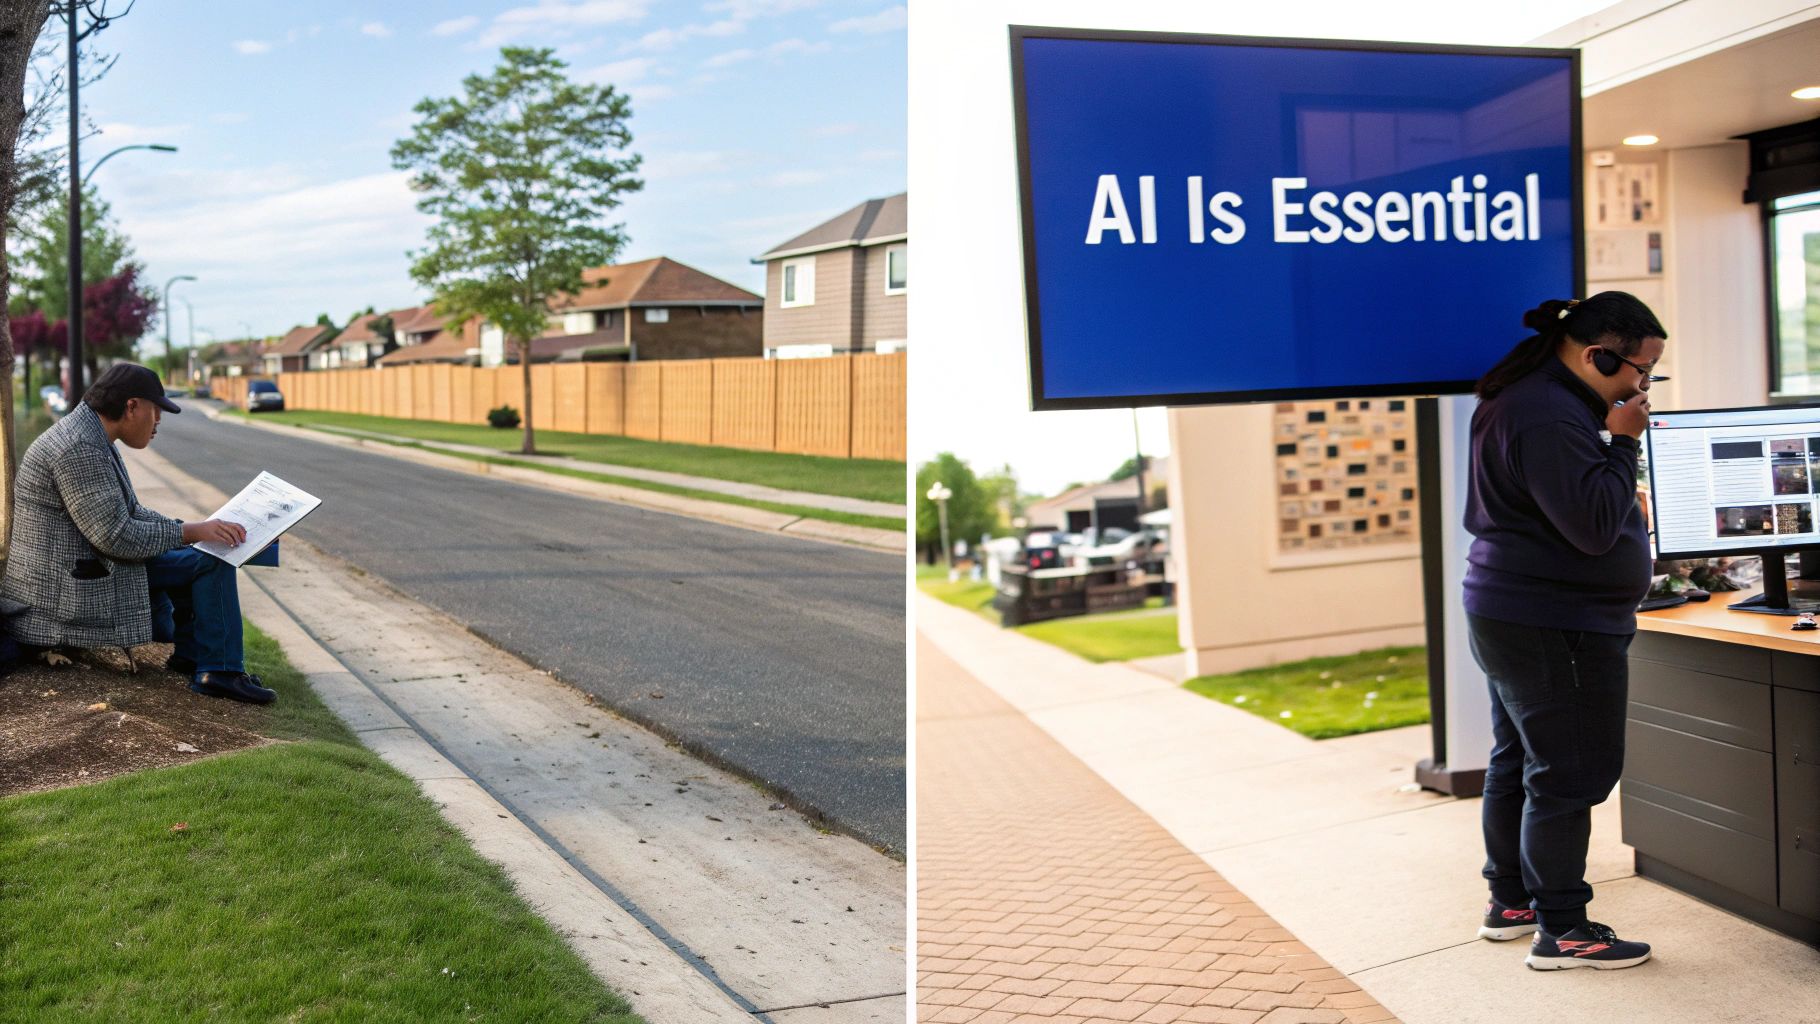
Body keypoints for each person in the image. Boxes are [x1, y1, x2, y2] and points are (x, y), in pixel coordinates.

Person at [1464, 291, 1667, 971]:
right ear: (1596, 355)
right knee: (1570, 772)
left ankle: (1513, 902)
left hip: (1518, 609)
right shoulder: (1549, 414)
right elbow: (1590, 526)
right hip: (1556, 622)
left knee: (1522, 761)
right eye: (1641, 372)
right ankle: (1563, 930)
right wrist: (1624, 444)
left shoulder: (1531, 397)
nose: (1642, 387)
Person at [1, 362, 276, 704]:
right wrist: (190, 533)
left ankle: (194, 658)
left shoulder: (91, 436)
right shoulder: (79, 447)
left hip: (81, 571)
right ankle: (220, 672)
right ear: (131, 406)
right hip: (62, 596)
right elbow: (116, 536)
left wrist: (193, 529)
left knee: (204, 549)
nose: (159, 420)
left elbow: (130, 513)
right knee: (210, 561)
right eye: (156, 410)